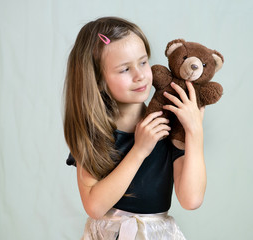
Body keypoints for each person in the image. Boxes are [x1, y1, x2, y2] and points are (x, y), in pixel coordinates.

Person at [63, 16, 206, 239]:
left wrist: (194, 132)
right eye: (124, 70)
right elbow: (95, 207)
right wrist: (139, 150)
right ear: (98, 79)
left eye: (143, 62)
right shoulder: (93, 134)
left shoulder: (169, 126)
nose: (140, 76)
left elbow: (191, 199)